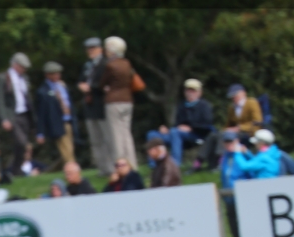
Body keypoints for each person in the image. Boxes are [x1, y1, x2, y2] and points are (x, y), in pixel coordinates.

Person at [147, 79, 215, 168]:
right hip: (178, 134)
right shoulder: (182, 105)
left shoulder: (204, 106)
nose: (190, 93)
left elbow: (207, 126)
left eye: (193, 91)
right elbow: (177, 125)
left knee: (175, 132)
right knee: (152, 134)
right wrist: (167, 129)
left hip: (196, 135)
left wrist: (191, 128)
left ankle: (175, 165)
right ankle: (154, 165)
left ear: (199, 93)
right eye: (188, 90)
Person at [97, 37, 138, 170]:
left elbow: (102, 83)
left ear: (112, 51)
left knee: (116, 136)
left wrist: (105, 87)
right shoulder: (127, 63)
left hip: (113, 102)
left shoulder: (110, 65)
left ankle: (120, 166)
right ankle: (132, 164)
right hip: (128, 101)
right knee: (126, 134)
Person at [0, 52, 34, 173]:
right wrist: (3, 118)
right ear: (15, 65)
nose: (24, 69)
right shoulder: (3, 78)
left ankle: (16, 169)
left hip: (24, 114)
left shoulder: (25, 79)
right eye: (22, 67)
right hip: (12, 115)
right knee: (21, 143)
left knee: (22, 145)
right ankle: (16, 168)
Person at [78, 37, 111, 174]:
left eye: (93, 48)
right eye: (89, 49)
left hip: (101, 104)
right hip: (90, 105)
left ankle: (110, 167)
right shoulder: (87, 65)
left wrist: (90, 87)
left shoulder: (105, 63)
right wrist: (81, 86)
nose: (90, 51)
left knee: (107, 138)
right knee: (95, 140)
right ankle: (101, 167)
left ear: (100, 49)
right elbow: (81, 80)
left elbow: (105, 84)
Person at [35, 62, 77, 169]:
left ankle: (70, 168)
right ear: (47, 75)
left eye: (58, 73)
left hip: (68, 121)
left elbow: (69, 103)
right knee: (66, 148)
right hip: (57, 123)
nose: (57, 76)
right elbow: (41, 113)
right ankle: (73, 169)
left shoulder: (62, 86)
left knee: (70, 148)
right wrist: (40, 133)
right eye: (54, 74)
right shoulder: (43, 91)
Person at [219, 131, 246, 237]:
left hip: (242, 197)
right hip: (229, 199)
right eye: (226, 142)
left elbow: (250, 171)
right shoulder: (225, 157)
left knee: (245, 229)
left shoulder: (243, 154)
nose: (228, 144)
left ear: (237, 141)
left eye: (231, 141)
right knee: (234, 229)